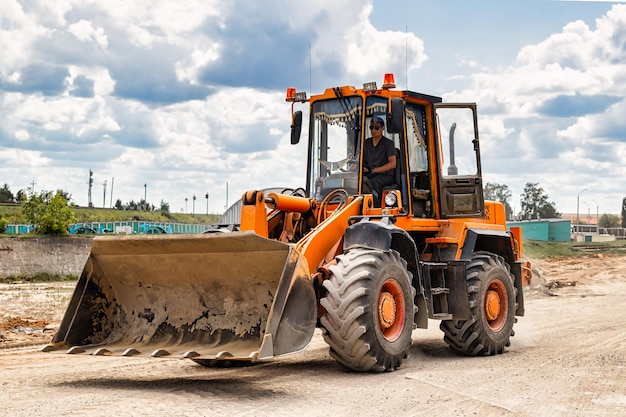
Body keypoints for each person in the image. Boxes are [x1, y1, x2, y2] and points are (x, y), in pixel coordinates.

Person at [362, 116, 397, 203]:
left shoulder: (388, 144)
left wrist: (376, 170)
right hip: (371, 173)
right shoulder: (366, 143)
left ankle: (374, 204)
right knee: (360, 181)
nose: (373, 130)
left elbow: (393, 163)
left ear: (382, 128)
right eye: (371, 127)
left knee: (372, 183)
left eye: (376, 128)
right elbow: (361, 160)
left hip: (385, 175)